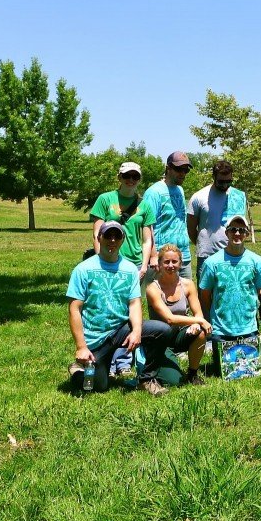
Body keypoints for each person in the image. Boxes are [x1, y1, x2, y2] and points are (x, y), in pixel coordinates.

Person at [67, 221, 172, 396]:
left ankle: (146, 379)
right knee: (97, 386)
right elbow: (74, 310)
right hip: (96, 338)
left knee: (162, 330)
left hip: (121, 328)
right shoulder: (83, 269)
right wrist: (81, 347)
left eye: (117, 236)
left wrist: (136, 331)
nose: (112, 240)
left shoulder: (130, 269)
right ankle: (78, 369)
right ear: (99, 238)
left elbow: (134, 303)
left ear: (122, 240)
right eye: (108, 235)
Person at [88, 160, 156, 375]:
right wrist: (100, 263)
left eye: (135, 176)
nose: (131, 180)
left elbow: (147, 239)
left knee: (131, 310)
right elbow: (97, 233)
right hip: (109, 262)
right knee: (108, 308)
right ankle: (106, 358)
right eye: (127, 176)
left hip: (134, 264)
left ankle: (125, 361)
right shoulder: (105, 199)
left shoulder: (145, 205)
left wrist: (144, 266)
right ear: (119, 177)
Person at [199, 215, 261, 375]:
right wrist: (213, 317)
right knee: (225, 372)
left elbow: (260, 288)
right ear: (226, 233)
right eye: (233, 229)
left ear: (247, 234)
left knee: (248, 371)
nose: (237, 233)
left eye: (241, 230)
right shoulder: (212, 263)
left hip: (248, 328)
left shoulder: (256, 261)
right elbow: (205, 294)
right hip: (221, 330)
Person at [145, 243, 211, 385]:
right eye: (166, 262)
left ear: (180, 263)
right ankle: (153, 363)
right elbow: (170, 319)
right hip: (160, 339)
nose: (171, 265)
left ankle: (192, 374)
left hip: (180, 334)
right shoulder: (152, 289)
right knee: (173, 381)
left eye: (174, 261)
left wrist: (197, 322)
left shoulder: (188, 285)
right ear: (160, 264)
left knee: (201, 333)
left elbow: (198, 313)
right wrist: (198, 320)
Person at [187, 159, 247, 283]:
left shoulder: (239, 196)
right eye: (221, 181)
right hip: (207, 256)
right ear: (213, 177)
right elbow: (191, 228)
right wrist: (203, 244)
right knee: (205, 292)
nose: (225, 185)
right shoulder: (199, 197)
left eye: (229, 181)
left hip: (234, 255)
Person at [144, 151, 193, 279]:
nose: (182, 173)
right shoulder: (154, 192)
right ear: (168, 168)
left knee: (186, 291)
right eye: (178, 169)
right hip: (163, 259)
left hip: (183, 256)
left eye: (186, 170)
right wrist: (153, 255)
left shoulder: (180, 190)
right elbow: (147, 226)